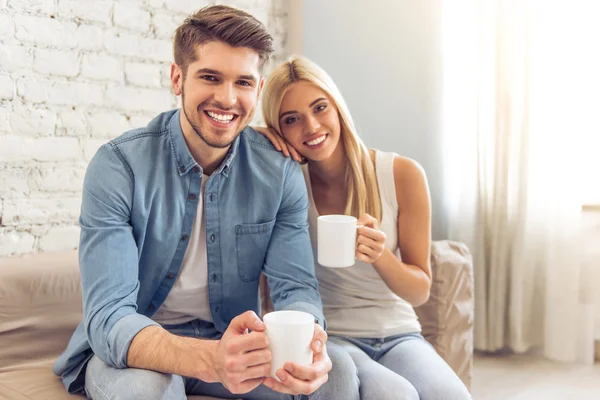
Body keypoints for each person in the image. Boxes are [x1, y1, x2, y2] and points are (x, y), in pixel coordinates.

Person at [52, 7, 358, 400]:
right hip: (143, 349)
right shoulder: (118, 166)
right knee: (147, 391)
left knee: (339, 374)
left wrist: (308, 339)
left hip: (235, 343)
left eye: (243, 82)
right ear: (177, 78)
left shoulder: (278, 173)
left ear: (259, 90)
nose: (227, 99)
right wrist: (209, 357)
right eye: (210, 77)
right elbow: (109, 317)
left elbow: (295, 287)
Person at [257, 55, 472, 400]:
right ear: (279, 130)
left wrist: (379, 255)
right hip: (334, 336)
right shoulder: (289, 186)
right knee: (395, 395)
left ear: (337, 106)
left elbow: (420, 291)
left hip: (399, 333)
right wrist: (257, 139)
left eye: (320, 107)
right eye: (291, 119)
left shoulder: (402, 175)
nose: (311, 126)